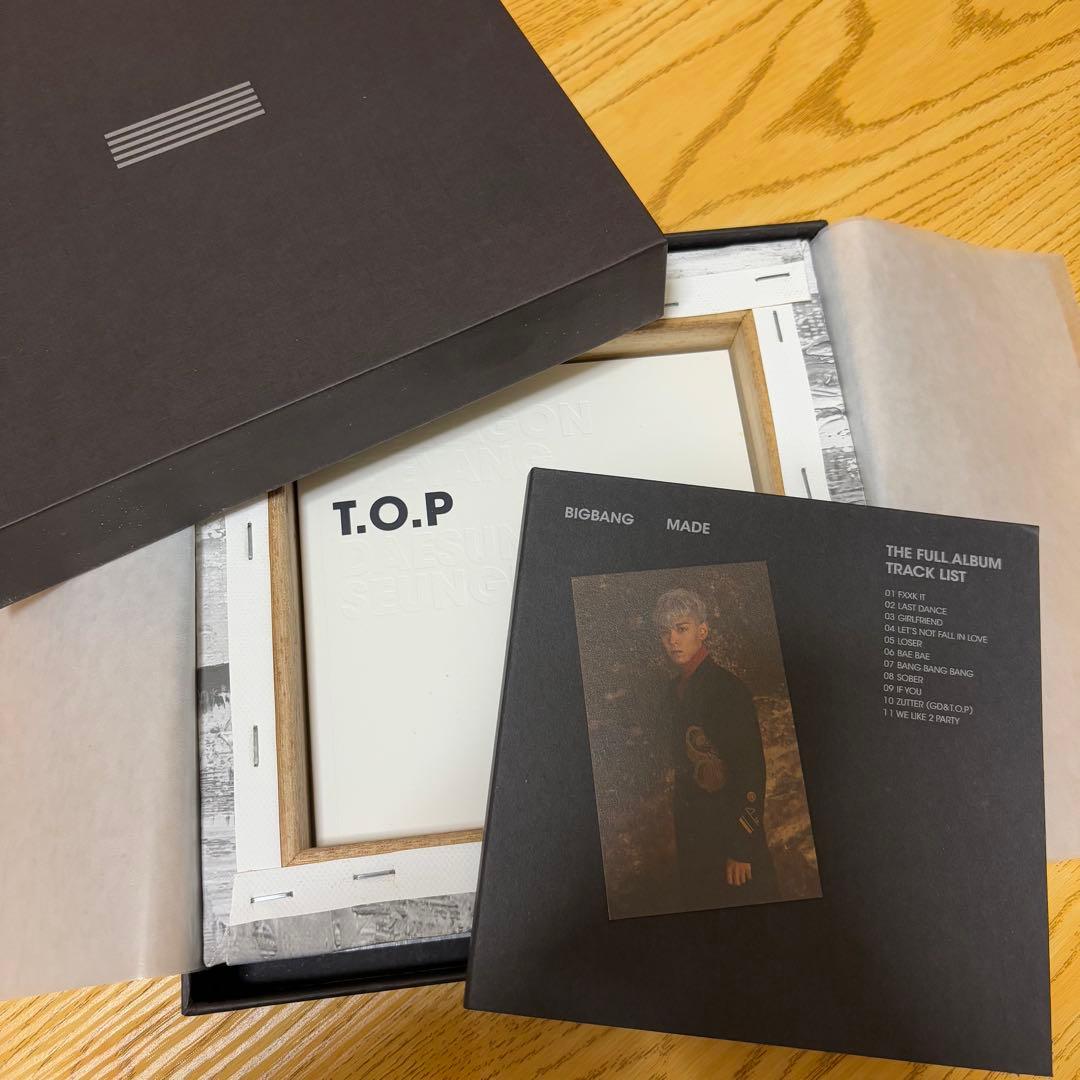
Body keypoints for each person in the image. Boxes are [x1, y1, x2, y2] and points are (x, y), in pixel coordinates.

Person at [654, 587, 778, 909]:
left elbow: (751, 772)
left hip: (730, 836)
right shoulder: (671, 693)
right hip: (694, 835)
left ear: (703, 631)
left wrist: (742, 848)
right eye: (665, 632)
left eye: (681, 628)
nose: (673, 640)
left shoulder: (728, 690)